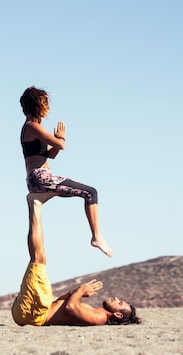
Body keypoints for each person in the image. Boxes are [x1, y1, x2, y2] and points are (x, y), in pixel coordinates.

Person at [11, 193, 141, 326]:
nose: (116, 298)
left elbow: (71, 307)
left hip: (34, 313)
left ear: (118, 314)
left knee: (39, 259)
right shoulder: (96, 312)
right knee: (39, 259)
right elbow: (60, 303)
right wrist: (74, 292)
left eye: (119, 303)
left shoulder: (99, 318)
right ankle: (35, 205)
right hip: (36, 309)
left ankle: (35, 204)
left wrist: (81, 290)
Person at [19, 86, 113, 257]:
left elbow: (51, 154)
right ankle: (96, 237)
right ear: (40, 106)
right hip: (41, 178)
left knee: (85, 193)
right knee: (90, 193)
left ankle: (37, 199)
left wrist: (58, 141)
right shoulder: (32, 126)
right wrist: (60, 138)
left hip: (37, 180)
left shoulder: (31, 129)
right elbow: (60, 145)